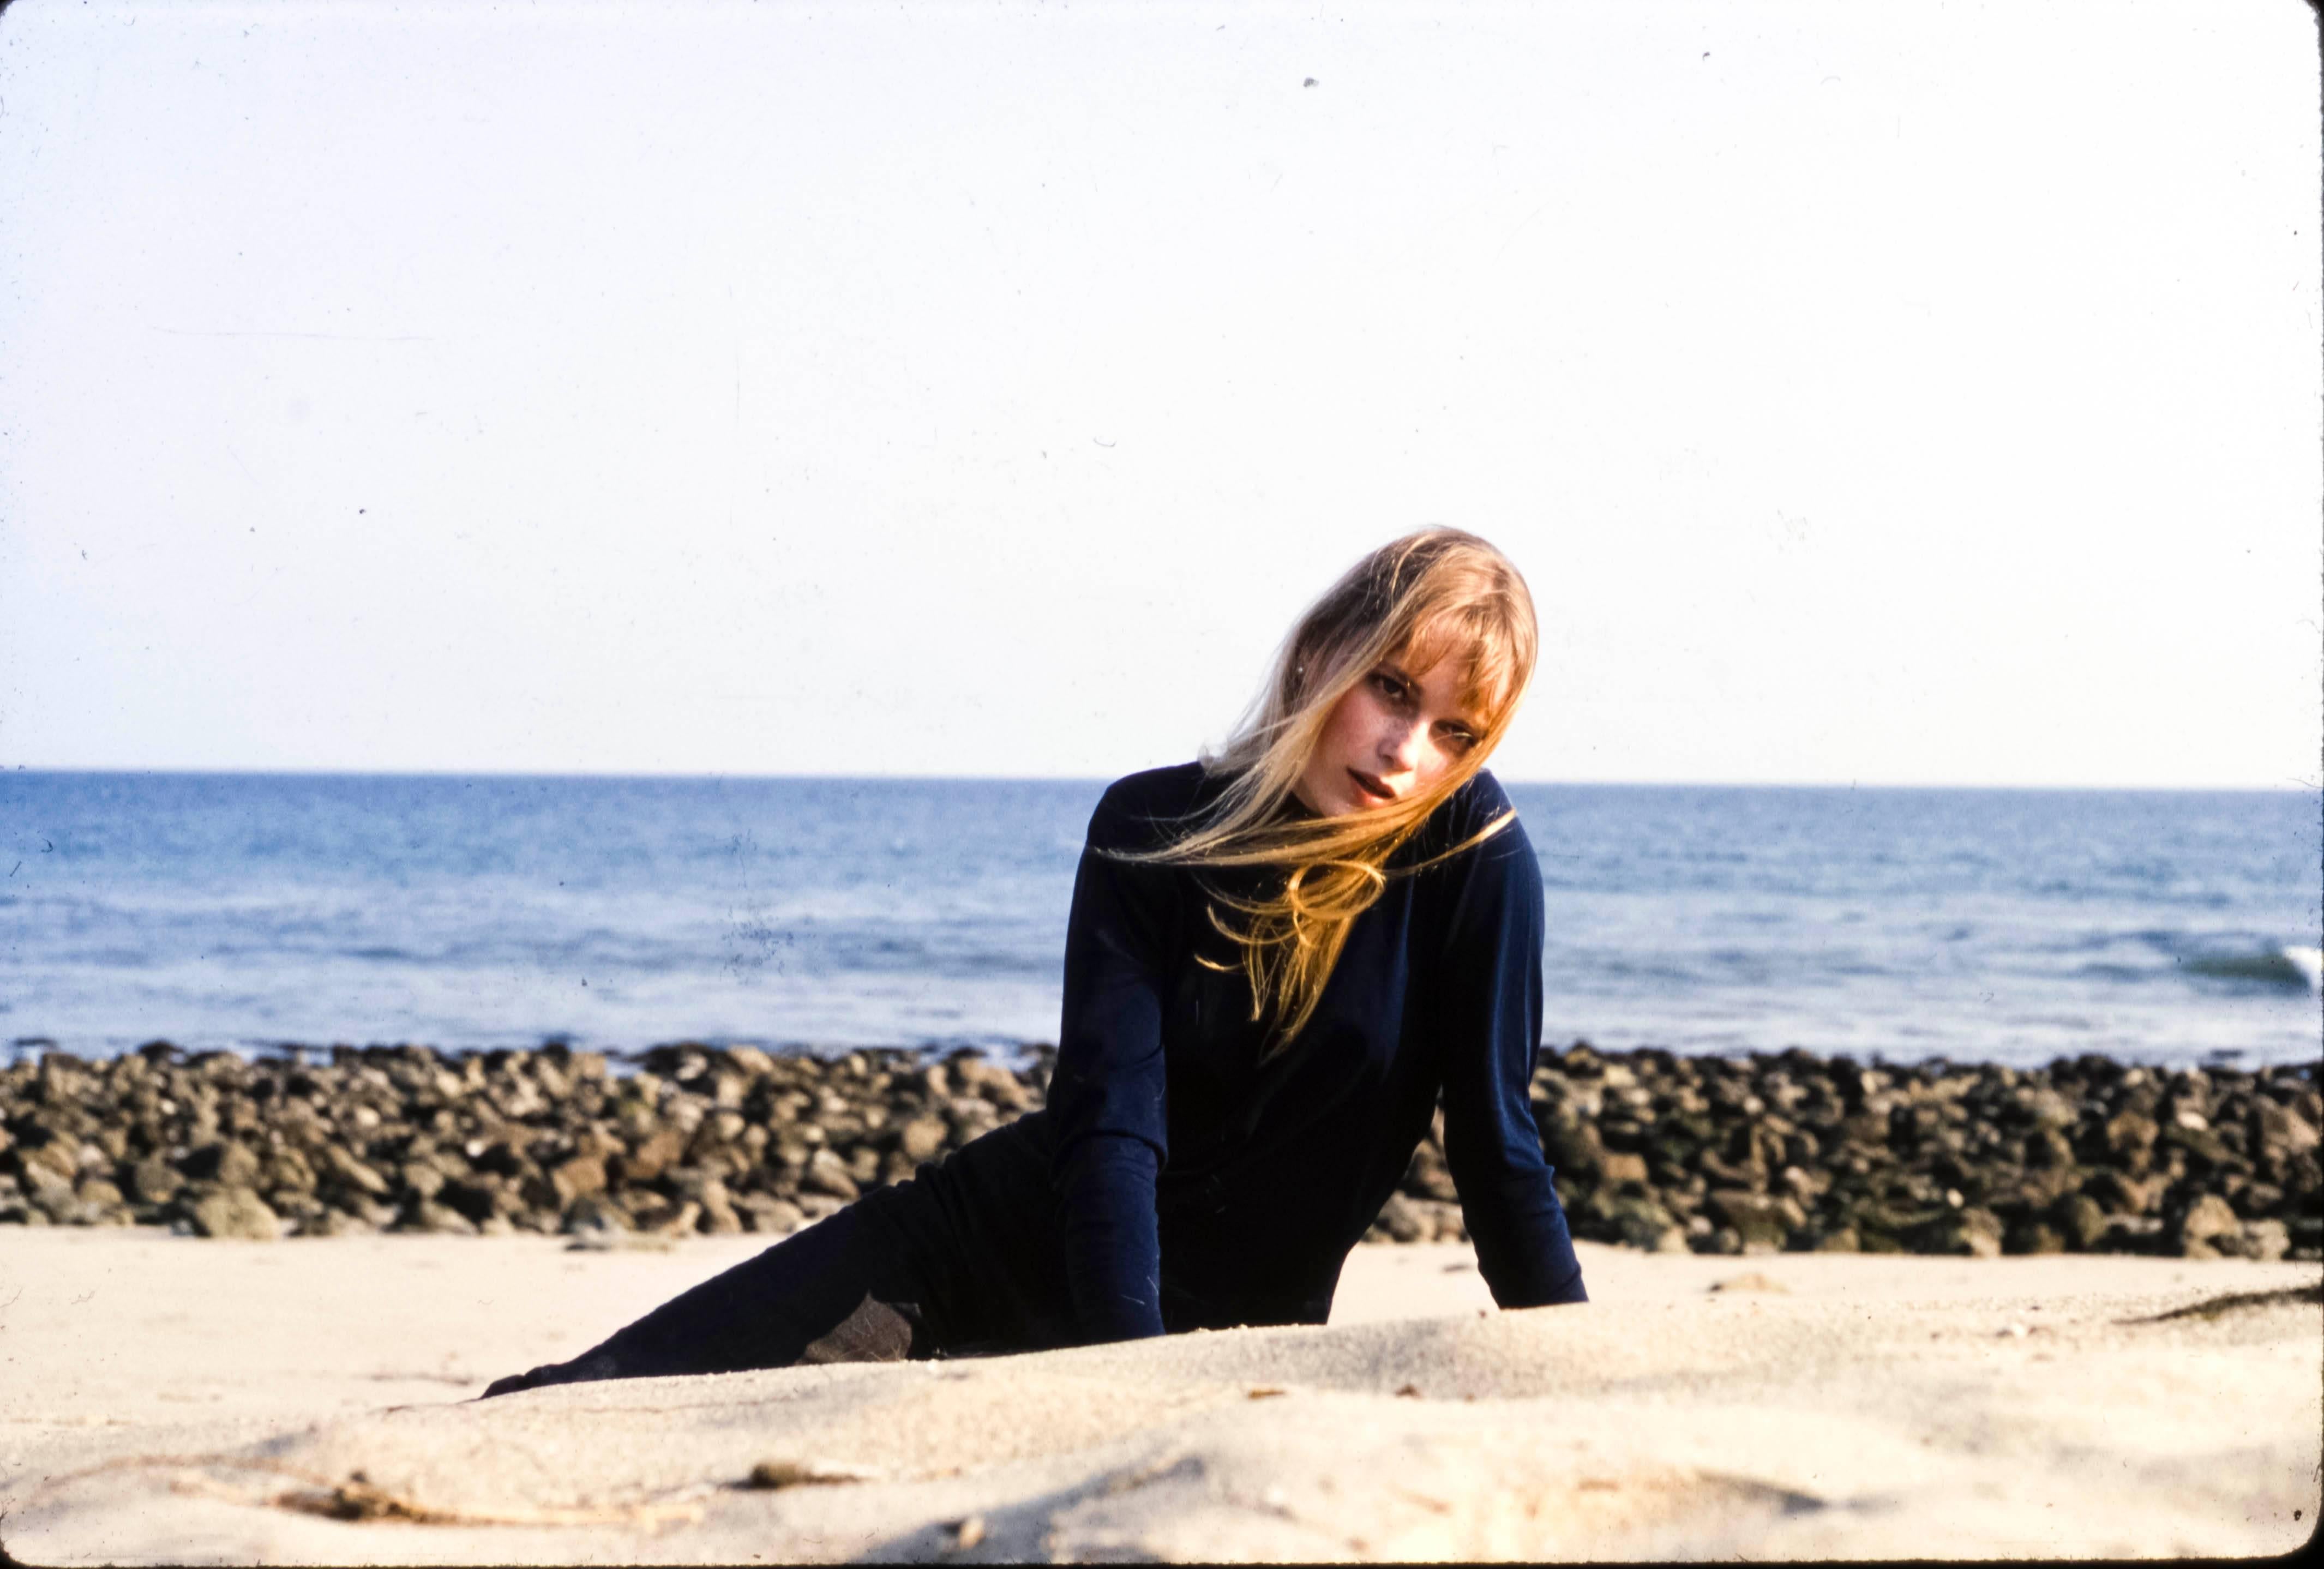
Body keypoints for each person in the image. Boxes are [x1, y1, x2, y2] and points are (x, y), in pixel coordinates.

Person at [481, 527, 1584, 1397]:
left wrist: (1596, 1378)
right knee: (601, 1398)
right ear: (1318, 655)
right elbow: (1112, 1122)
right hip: (979, 1247)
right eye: (1393, 688)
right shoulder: (1154, 823)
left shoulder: (1474, 861)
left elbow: (1496, 1142)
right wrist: (1128, 1373)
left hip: (1234, 1336)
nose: (1406, 752)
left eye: (1455, 728)